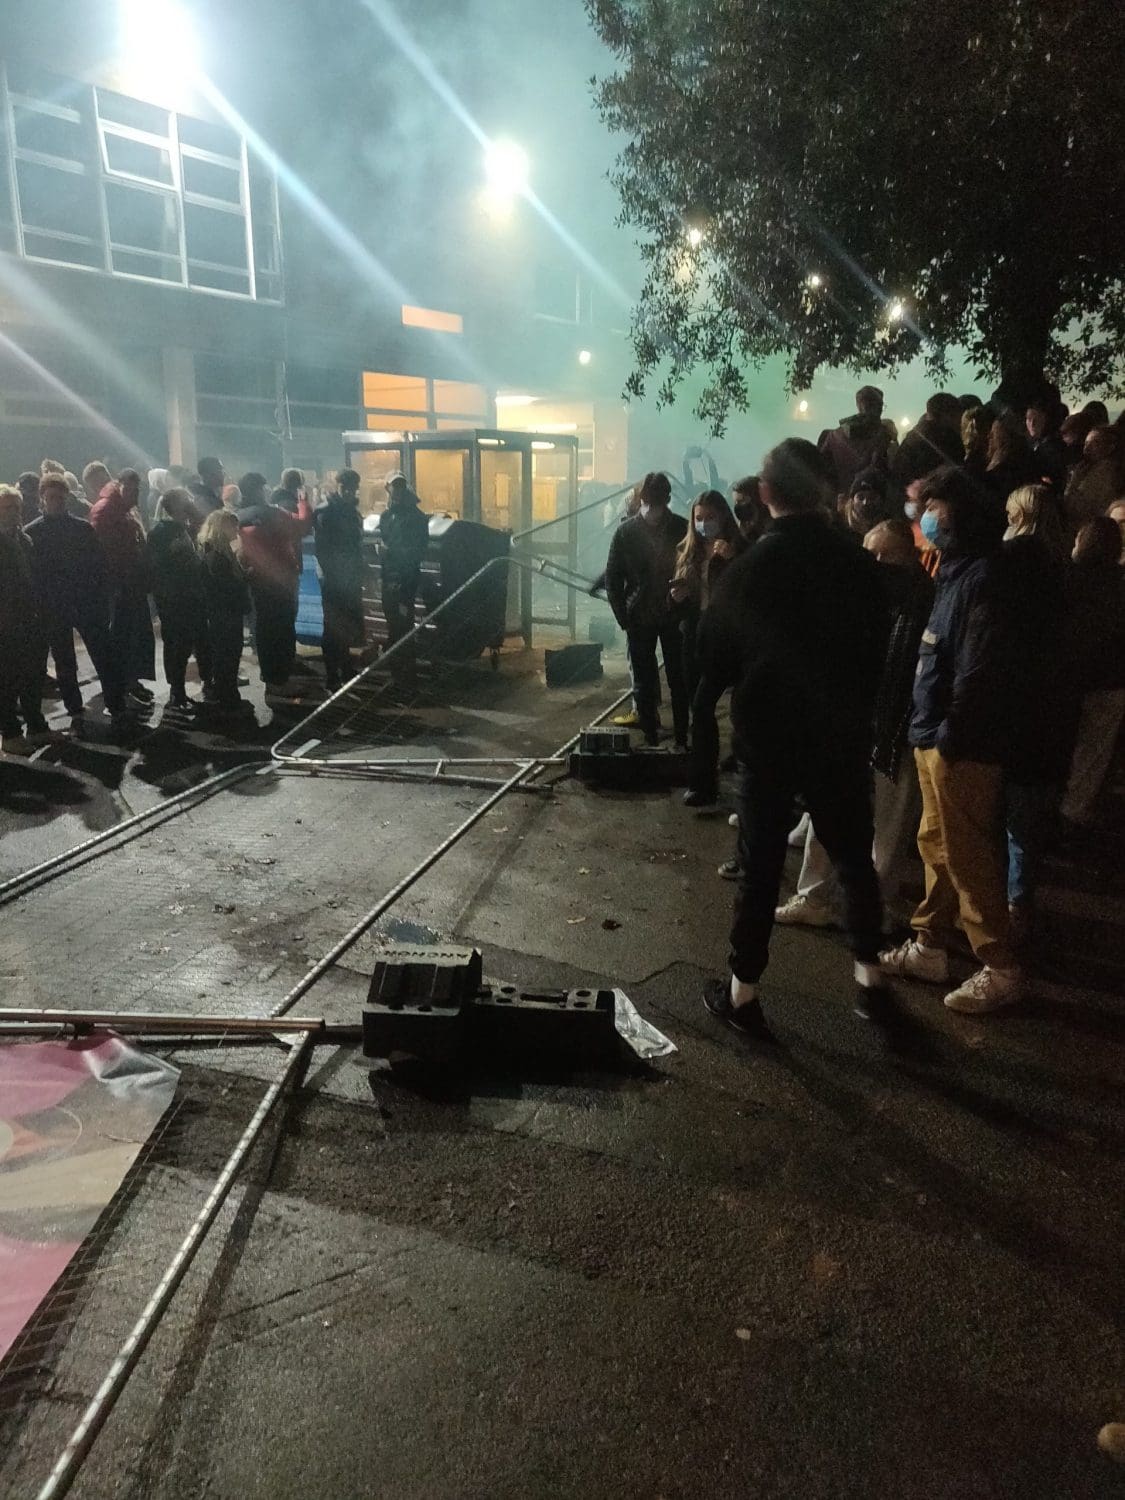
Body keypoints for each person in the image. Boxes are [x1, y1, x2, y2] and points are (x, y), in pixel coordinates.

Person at [699, 438, 889, 1038]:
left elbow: (712, 656)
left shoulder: (752, 567)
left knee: (760, 867)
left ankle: (744, 993)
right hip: (839, 732)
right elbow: (880, 647)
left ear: (765, 493)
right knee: (855, 859)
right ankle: (870, 981)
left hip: (771, 736)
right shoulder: (860, 563)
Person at [879, 465, 1023, 1014]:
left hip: (958, 744)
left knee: (966, 856)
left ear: (957, 512)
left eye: (931, 506)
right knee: (936, 848)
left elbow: (977, 669)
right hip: (936, 735)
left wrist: (949, 737)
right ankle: (929, 946)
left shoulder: (982, 578)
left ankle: (1001, 965)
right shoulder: (954, 571)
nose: (922, 517)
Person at [776, 519, 933, 928]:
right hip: (846, 720)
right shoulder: (854, 594)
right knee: (826, 811)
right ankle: (814, 897)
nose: (877, 563)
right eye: (871, 554)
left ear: (908, 557)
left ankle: (873, 907)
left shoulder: (922, 600)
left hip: (895, 728)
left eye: (887, 555)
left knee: (887, 828)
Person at [997, 486, 1071, 943]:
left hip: (1019, 706)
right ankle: (1018, 903)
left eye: (1010, 511)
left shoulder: (1018, 561)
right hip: (1054, 709)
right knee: (1029, 813)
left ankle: (1011, 912)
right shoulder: (1065, 567)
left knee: (1014, 813)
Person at [25, 473, 123, 730]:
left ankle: (115, 704)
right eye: (52, 497)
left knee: (102, 655)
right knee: (64, 660)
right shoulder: (33, 533)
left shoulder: (80, 528)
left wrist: (102, 599)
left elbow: (100, 566)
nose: (57, 502)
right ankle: (75, 709)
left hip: (84, 603)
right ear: (42, 499)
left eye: (60, 497)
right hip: (55, 607)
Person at [605, 470, 690, 749]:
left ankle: (669, 735)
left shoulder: (634, 531)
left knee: (668, 678)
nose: (654, 509)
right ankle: (662, 736)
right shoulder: (634, 531)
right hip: (651, 614)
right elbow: (613, 577)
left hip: (662, 613)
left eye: (658, 503)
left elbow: (613, 578)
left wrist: (624, 614)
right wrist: (623, 617)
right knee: (654, 680)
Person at [671, 490, 744, 805]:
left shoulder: (737, 549)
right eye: (699, 519)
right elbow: (678, 603)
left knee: (703, 706)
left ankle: (707, 782)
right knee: (696, 709)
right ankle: (703, 781)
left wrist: (732, 562)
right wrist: (676, 598)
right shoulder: (687, 551)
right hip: (693, 636)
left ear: (723, 517)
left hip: (724, 639)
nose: (703, 525)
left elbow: (746, 595)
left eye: (710, 518)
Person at [1058, 517, 1125, 832]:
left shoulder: (1066, 577)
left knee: (1062, 741)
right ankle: (1073, 812)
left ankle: (1051, 807)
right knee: (1092, 753)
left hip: (1067, 674)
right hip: (1108, 678)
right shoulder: (1120, 582)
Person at [236, 471, 312, 695]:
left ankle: (269, 676)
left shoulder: (238, 515)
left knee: (264, 629)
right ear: (259, 490)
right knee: (282, 629)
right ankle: (281, 680)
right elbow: (302, 526)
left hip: (256, 580)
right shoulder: (271, 514)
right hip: (280, 580)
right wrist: (304, 502)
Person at [88, 469, 155, 713]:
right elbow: (101, 552)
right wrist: (114, 584)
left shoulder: (127, 509)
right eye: (131, 489)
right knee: (121, 638)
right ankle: (120, 687)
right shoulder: (105, 510)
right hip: (118, 587)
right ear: (120, 486)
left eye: (138, 490)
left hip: (132, 584)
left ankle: (130, 681)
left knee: (134, 636)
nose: (136, 494)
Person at [146, 487, 212, 715]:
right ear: (174, 506)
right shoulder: (161, 533)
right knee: (177, 644)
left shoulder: (188, 528)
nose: (191, 503)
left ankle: (207, 681)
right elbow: (155, 568)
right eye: (187, 501)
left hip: (195, 595)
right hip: (175, 599)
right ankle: (177, 690)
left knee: (201, 639)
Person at [0, 485, 52, 754]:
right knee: (8, 680)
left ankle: (36, 726)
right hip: (7, 623)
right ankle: (9, 733)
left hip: (30, 619)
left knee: (33, 675)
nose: (13, 513)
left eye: (16, 507)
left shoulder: (24, 539)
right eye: (7, 507)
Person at [314, 468, 366, 689]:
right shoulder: (327, 512)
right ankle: (332, 674)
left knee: (345, 625)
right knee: (332, 627)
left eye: (352, 488)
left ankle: (344, 668)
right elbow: (323, 549)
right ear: (337, 486)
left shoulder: (350, 511)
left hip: (349, 577)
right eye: (345, 488)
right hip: (334, 579)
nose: (349, 492)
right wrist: (332, 574)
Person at [198, 508, 251, 716]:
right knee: (227, 653)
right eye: (233, 527)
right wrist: (245, 578)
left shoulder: (216, 551)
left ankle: (227, 692)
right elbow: (225, 586)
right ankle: (227, 696)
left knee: (227, 653)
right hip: (224, 613)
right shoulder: (217, 556)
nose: (236, 532)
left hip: (224, 612)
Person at [377, 473, 430, 652]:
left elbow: (418, 550)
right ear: (388, 488)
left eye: (401, 485)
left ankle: (405, 669)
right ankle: (397, 667)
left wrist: (388, 552)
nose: (397, 489)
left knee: (403, 624)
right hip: (388, 578)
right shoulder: (386, 516)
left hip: (405, 580)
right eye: (394, 485)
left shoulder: (416, 517)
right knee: (393, 622)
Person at [818, 384, 897, 494]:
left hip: (839, 499)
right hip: (870, 500)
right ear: (878, 407)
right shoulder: (885, 436)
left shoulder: (833, 435)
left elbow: (820, 470)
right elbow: (892, 472)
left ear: (858, 406)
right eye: (881, 406)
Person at [891, 393, 964, 490]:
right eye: (957, 415)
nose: (960, 421)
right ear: (947, 415)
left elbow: (898, 473)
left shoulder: (911, 438)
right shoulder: (949, 439)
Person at [1064, 426, 1125, 534]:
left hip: (1090, 530)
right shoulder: (1089, 468)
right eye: (1086, 443)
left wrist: (1074, 482)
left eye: (1095, 443)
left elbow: (1077, 507)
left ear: (1110, 447)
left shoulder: (1105, 472)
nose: (1087, 448)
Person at [840, 467, 894, 538]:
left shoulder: (890, 528)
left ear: (881, 500)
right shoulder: (840, 525)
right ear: (852, 500)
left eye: (872, 497)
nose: (865, 502)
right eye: (860, 497)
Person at [1025, 401, 1068, 489]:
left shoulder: (1054, 448)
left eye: (1037, 419)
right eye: (1029, 419)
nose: (1032, 424)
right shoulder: (1032, 444)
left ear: (1046, 420)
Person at [731, 475, 769, 546]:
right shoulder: (744, 530)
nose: (738, 507)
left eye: (742, 501)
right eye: (736, 503)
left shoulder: (773, 529)